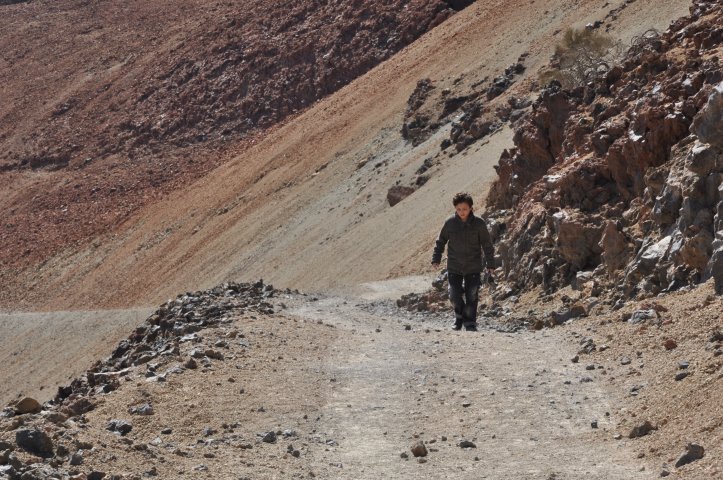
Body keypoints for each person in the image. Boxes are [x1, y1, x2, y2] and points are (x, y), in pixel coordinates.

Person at [431, 192, 495, 331]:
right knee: (454, 295)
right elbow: (440, 241)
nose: (462, 212)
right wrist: (436, 258)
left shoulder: (479, 224)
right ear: (455, 208)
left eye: (465, 209)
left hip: (473, 266)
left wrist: (490, 264)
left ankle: (470, 322)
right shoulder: (450, 223)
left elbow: (487, 244)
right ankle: (459, 317)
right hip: (454, 265)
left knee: (472, 295)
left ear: (471, 208)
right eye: (459, 209)